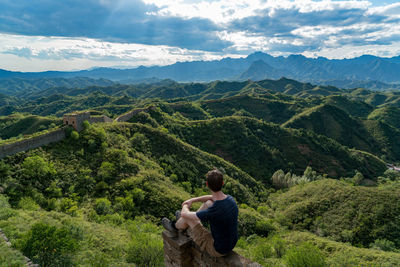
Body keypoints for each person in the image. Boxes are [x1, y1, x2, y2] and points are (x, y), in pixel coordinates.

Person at [162, 169, 238, 257]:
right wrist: (193, 200)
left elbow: (184, 214)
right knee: (208, 203)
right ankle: (184, 222)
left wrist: (185, 205)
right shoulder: (230, 199)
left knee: (187, 217)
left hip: (218, 249)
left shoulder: (213, 211)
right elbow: (212, 197)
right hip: (230, 243)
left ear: (207, 184)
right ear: (223, 183)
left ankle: (174, 226)